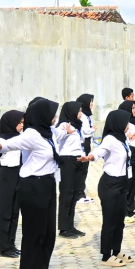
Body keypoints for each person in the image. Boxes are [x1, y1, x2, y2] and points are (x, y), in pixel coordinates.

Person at [0, 98, 84, 269]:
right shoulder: (32, 135)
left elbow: (60, 132)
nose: (55, 117)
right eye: (52, 113)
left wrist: (68, 130)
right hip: (33, 187)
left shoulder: (48, 132)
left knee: (48, 235)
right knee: (34, 236)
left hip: (48, 184)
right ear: (42, 115)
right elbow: (9, 143)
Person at [90, 110, 135, 265]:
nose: (128, 124)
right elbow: (99, 152)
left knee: (119, 221)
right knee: (110, 221)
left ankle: (116, 251)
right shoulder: (110, 139)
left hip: (122, 183)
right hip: (110, 184)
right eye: (125, 122)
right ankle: (106, 256)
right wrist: (90, 157)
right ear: (118, 123)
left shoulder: (123, 138)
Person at [0, 110, 24, 258]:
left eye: (23, 122)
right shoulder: (3, 139)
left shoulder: (20, 137)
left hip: (18, 174)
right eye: (19, 122)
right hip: (6, 176)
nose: (21, 125)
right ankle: (4, 247)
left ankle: (11, 244)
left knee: (14, 212)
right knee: (4, 213)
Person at [55, 101, 87, 239]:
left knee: (74, 194)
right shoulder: (64, 124)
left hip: (78, 160)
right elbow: (56, 136)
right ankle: (63, 228)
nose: (80, 113)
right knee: (66, 193)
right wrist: (65, 132)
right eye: (78, 111)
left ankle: (70, 225)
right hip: (67, 161)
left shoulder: (77, 125)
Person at [119, 100, 135, 221]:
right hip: (131, 155)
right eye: (133, 108)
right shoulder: (124, 124)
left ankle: (131, 209)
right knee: (128, 184)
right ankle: (124, 212)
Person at [75, 94, 96, 204]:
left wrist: (91, 129)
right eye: (90, 101)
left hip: (87, 144)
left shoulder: (88, 115)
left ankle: (81, 193)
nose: (92, 104)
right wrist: (92, 129)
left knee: (85, 170)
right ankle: (79, 194)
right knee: (81, 170)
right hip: (82, 145)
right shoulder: (82, 116)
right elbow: (85, 131)